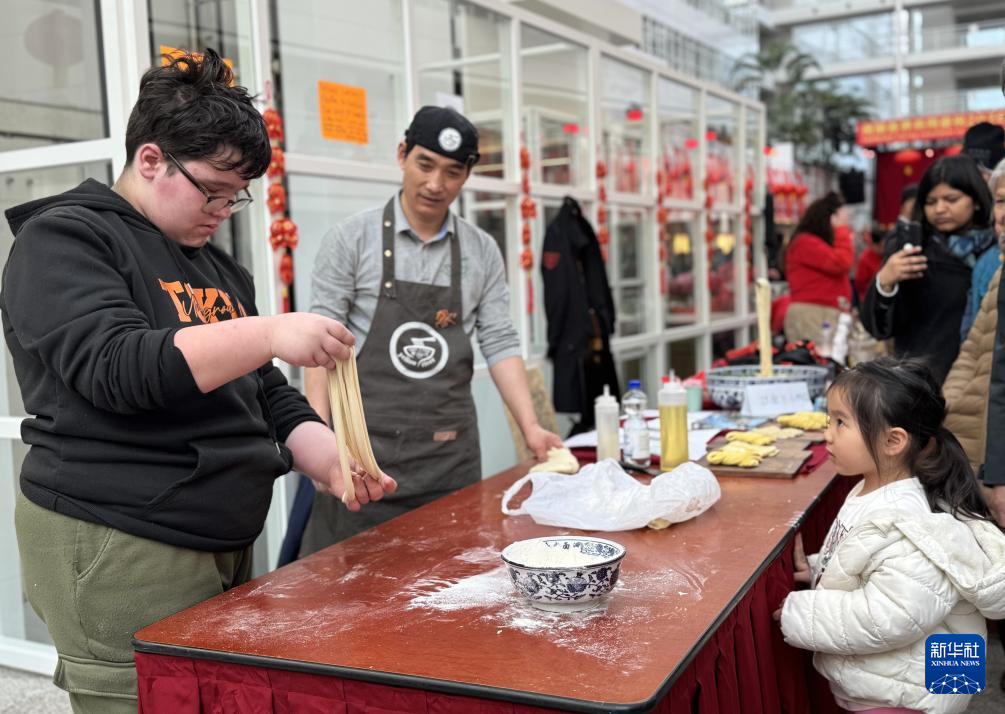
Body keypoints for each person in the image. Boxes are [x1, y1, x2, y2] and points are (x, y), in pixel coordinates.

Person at [0, 50, 395, 713]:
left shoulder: (216, 269)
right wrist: (268, 332)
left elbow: (261, 390)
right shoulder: (64, 239)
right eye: (211, 190)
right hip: (120, 537)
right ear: (151, 159)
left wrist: (324, 453)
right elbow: (118, 368)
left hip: (218, 533)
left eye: (235, 196)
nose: (222, 210)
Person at [298, 106, 563, 554]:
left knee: (451, 581)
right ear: (402, 154)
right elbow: (319, 345)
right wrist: (318, 435)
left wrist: (531, 427)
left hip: (449, 461)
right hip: (364, 460)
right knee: (359, 586)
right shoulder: (351, 240)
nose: (436, 184)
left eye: (452, 172)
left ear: (467, 175)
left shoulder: (481, 251)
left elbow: (499, 340)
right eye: (425, 164)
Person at [777, 358, 1005, 714]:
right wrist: (819, 567)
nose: (828, 434)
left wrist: (800, 614)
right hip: (900, 681)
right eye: (828, 419)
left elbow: (889, 617)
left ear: (892, 440)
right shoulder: (872, 489)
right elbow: (870, 559)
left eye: (841, 422)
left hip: (910, 695)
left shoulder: (910, 522)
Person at [861, 155, 996, 384]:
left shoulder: (994, 252)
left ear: (976, 200)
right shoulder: (914, 250)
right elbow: (880, 329)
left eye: (951, 199)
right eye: (931, 201)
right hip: (923, 383)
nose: (940, 209)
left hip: (981, 381)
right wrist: (885, 282)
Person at [782, 191, 854, 344]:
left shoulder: (808, 242)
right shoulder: (805, 242)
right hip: (813, 314)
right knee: (817, 357)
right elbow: (841, 262)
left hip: (819, 314)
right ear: (830, 219)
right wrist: (841, 230)